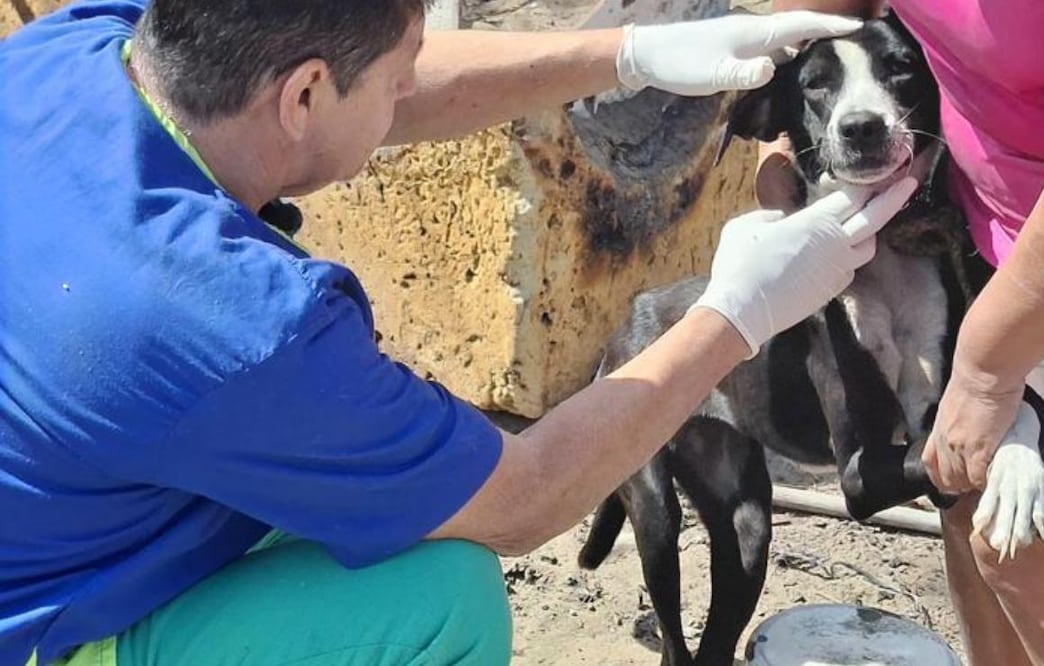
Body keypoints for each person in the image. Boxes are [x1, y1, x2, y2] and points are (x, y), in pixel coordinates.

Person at [0, 2, 916, 665]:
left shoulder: (71, 54)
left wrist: (627, 54)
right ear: (306, 94)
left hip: (63, 505)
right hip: (40, 629)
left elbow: (366, 82)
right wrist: (736, 312)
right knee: (437, 602)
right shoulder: (238, 323)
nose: (412, 86)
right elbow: (520, 497)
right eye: (398, 73)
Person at [761, 1, 1044, 664]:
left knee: (1036, 552)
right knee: (977, 518)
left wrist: (986, 375)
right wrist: (781, 190)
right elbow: (805, 32)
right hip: (990, 252)